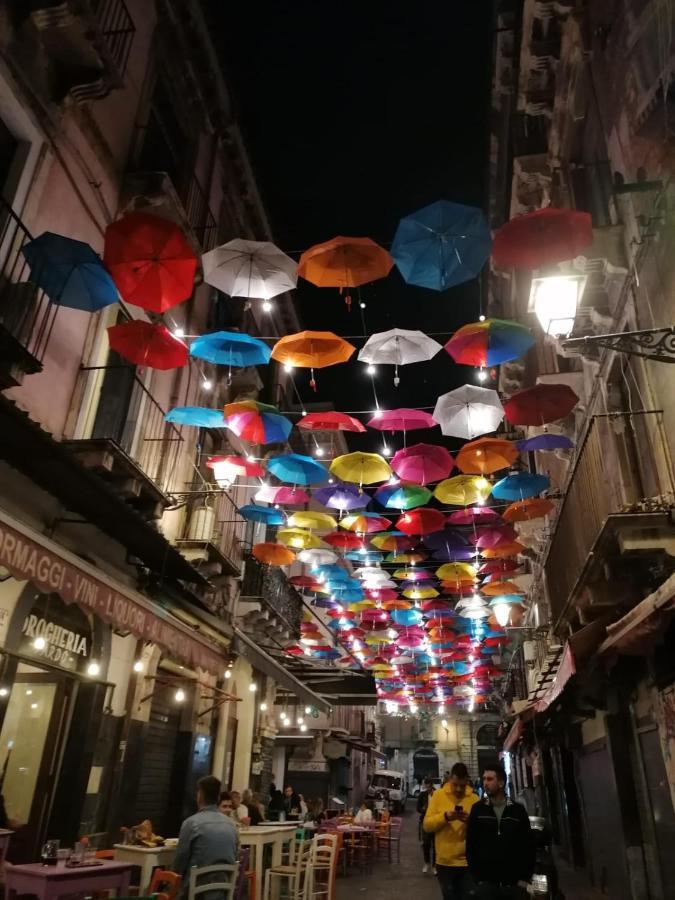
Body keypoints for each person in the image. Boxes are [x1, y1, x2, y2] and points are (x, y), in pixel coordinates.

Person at [466, 765, 535, 899]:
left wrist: (525, 878)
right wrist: (477, 879)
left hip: (513, 885)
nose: (485, 782)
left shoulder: (517, 810)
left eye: (490, 779)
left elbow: (528, 845)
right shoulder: (477, 809)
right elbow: (470, 844)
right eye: (484, 779)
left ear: (501, 783)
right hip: (486, 884)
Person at [174, 776, 238, 900]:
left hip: (196, 893)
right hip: (223, 891)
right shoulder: (231, 825)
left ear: (200, 796)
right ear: (218, 798)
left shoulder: (191, 823)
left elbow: (180, 863)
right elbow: (235, 855)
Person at [424, 762, 479, 899]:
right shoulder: (438, 796)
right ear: (450, 780)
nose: (459, 789)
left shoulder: (474, 799)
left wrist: (470, 821)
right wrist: (445, 817)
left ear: (467, 780)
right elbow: (427, 825)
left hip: (468, 862)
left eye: (462, 785)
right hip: (445, 862)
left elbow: (482, 830)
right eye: (455, 785)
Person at [417, 777, 436, 874]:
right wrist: (423, 809)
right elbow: (418, 808)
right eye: (426, 785)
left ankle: (434, 866)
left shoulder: (437, 794)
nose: (427, 788)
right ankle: (426, 863)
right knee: (426, 844)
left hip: (436, 822)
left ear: (431, 785)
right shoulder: (422, 795)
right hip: (425, 822)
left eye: (429, 785)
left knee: (436, 845)